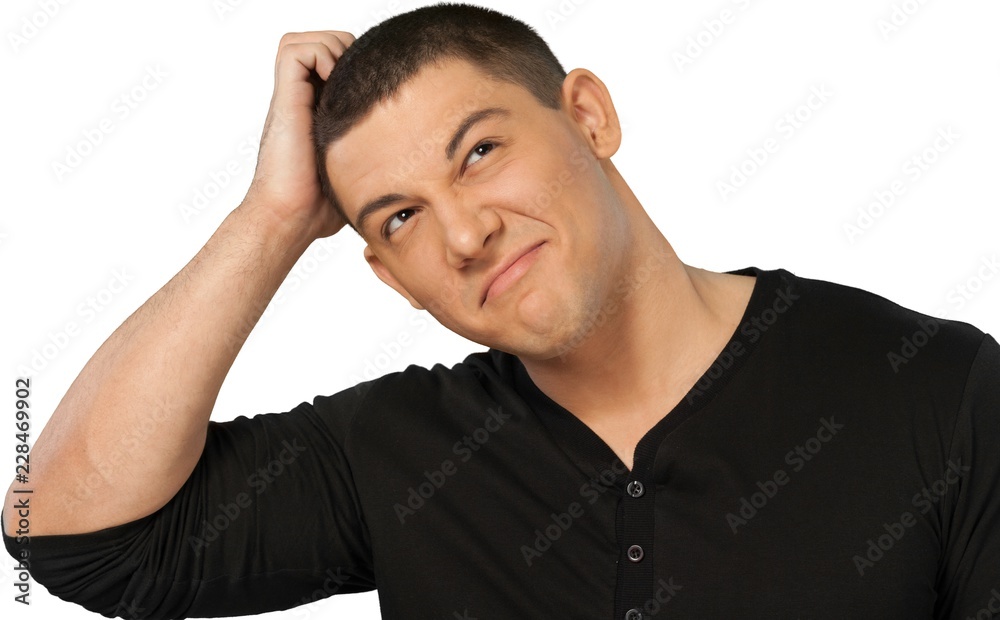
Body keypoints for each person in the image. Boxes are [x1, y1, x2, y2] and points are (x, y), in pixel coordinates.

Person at [4, 3, 998, 619]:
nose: (466, 232)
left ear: (588, 116)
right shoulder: (396, 451)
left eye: (480, 151)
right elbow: (64, 528)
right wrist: (270, 219)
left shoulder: (934, 389)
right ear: (390, 275)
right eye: (400, 216)